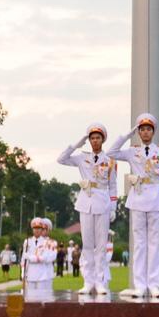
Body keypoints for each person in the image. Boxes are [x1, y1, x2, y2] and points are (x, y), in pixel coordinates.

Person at [109, 113, 159, 299]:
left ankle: (153, 284)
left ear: (153, 132)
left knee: (154, 244)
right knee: (139, 244)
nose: (145, 132)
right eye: (142, 129)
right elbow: (111, 153)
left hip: (155, 198)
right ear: (139, 132)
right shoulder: (132, 151)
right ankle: (140, 285)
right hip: (137, 198)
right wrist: (127, 135)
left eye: (148, 129)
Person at [58, 124, 120, 297]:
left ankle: (100, 281)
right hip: (86, 202)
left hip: (102, 201)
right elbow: (61, 159)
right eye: (92, 138)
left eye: (97, 138)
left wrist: (114, 207)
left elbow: (113, 186)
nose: (94, 141)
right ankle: (88, 281)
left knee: (101, 246)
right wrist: (78, 143)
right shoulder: (81, 157)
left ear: (103, 140)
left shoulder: (110, 160)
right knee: (87, 245)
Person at [22, 217, 59, 302]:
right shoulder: (28, 241)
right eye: (35, 228)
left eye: (44, 229)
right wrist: (23, 275)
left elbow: (49, 257)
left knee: (44, 299)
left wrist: (32, 258)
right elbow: (24, 259)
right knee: (30, 299)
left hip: (44, 274)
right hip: (30, 274)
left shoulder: (51, 242)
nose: (42, 231)